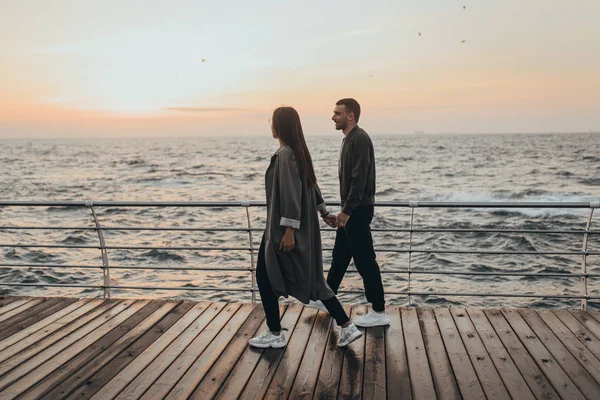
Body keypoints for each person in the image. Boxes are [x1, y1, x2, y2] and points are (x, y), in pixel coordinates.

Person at [249, 106, 362, 349]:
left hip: (284, 231)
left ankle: (276, 333)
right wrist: (322, 211)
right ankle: (346, 326)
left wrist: (289, 230)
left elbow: (290, 194)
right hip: (292, 228)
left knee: (268, 277)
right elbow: (311, 186)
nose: (270, 125)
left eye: (272, 121)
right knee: (309, 280)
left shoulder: (285, 155)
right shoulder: (296, 153)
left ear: (279, 125)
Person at [308, 98, 389, 327]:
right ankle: (327, 298)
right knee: (340, 258)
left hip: (358, 211)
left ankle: (379, 311)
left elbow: (359, 179)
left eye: (337, 113)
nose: (333, 117)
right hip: (352, 210)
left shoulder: (360, 139)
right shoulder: (348, 140)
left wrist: (347, 211)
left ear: (350, 116)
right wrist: (345, 210)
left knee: (365, 262)